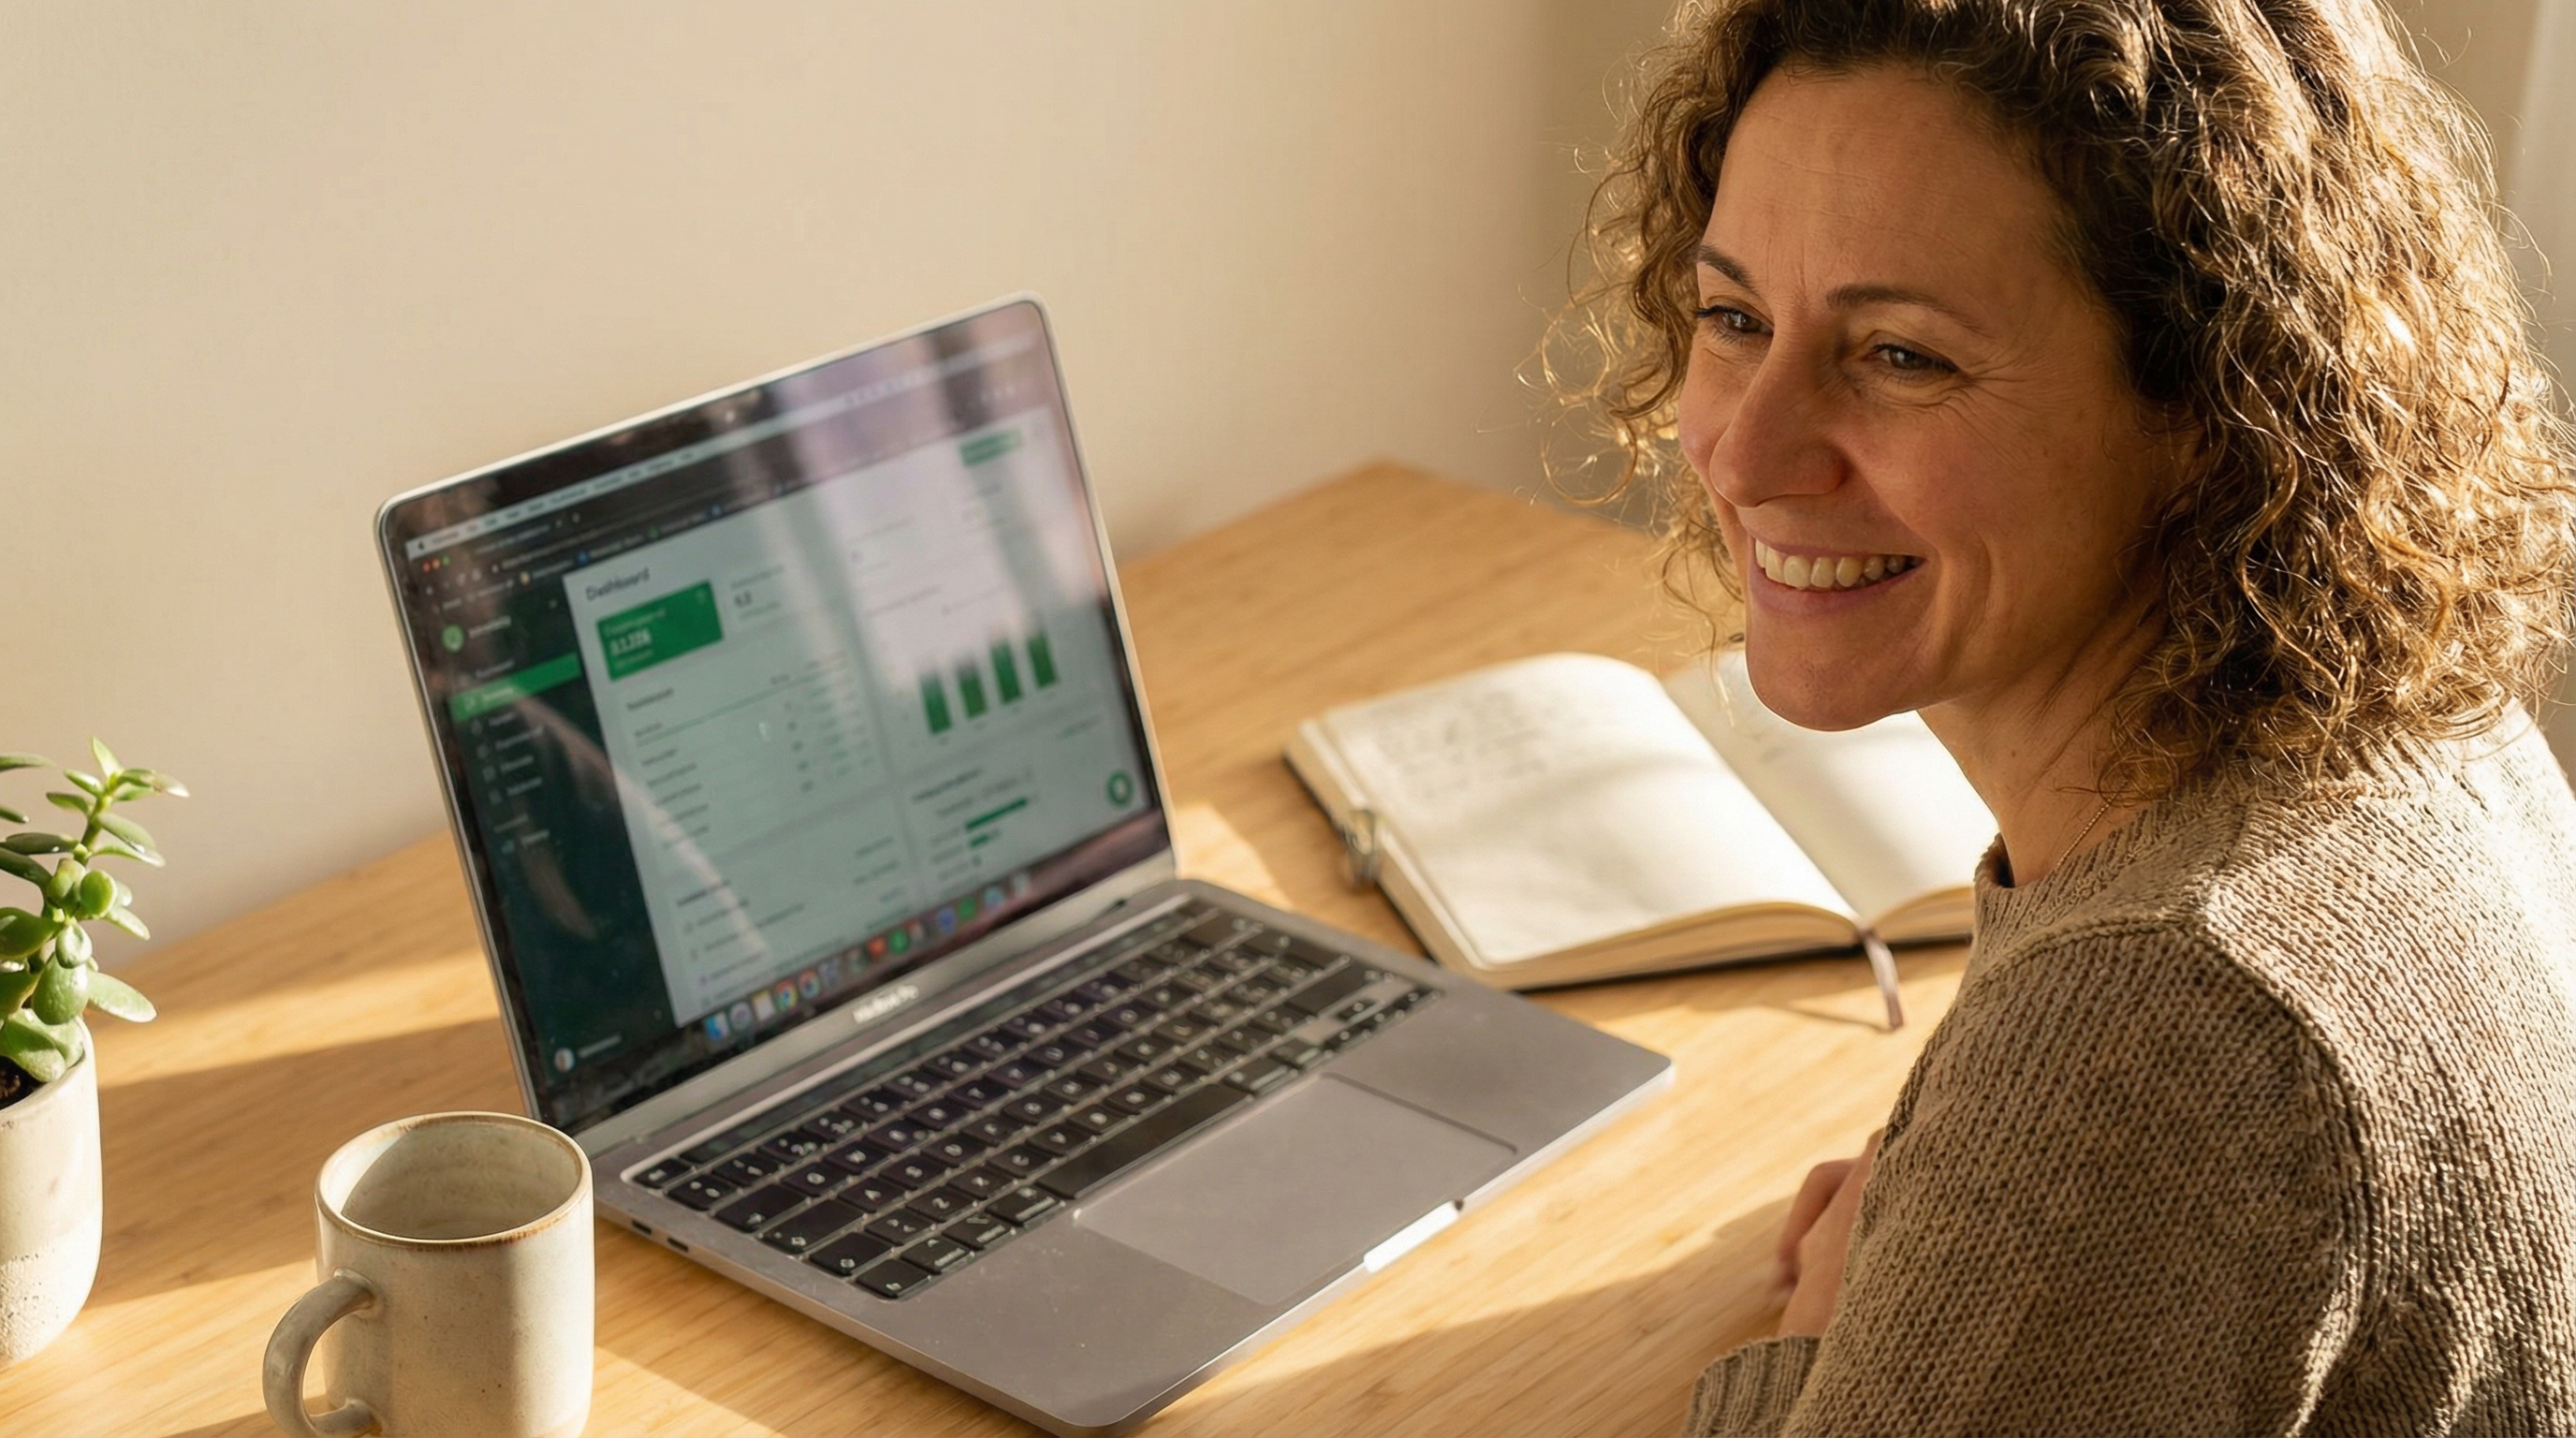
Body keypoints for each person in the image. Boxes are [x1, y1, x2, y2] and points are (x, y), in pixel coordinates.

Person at [1559, 0, 2576, 1431]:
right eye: (1735, 319)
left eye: (1902, 355)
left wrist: (1827, 1332)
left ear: (2217, 404)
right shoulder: (2429, 730)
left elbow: (2164, 1072)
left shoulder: (2160, 1013)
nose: (1745, 451)